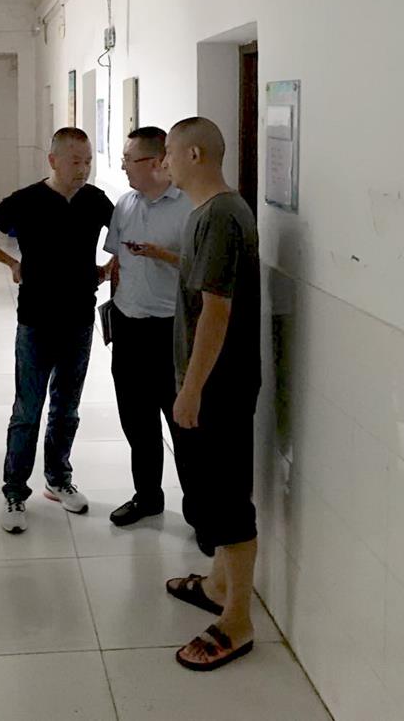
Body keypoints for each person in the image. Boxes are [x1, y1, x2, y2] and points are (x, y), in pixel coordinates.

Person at [0, 127, 113, 533]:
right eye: (75, 161)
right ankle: (15, 491)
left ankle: (58, 479)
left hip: (79, 318)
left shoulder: (95, 200)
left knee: (67, 407)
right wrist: (11, 263)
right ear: (53, 161)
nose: (83, 168)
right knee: (27, 410)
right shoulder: (26, 200)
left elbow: (126, 235)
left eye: (88, 161)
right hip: (36, 319)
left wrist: (108, 268)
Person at [162, 116, 261, 672]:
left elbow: (216, 311)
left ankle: (237, 620)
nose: (164, 163)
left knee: (227, 499)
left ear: (194, 155)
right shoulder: (210, 213)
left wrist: (192, 388)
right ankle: (219, 584)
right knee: (212, 495)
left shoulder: (221, 214)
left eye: (169, 153)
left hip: (218, 385)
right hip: (210, 382)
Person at [103, 127, 192, 527]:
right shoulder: (125, 203)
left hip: (170, 330)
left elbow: (203, 269)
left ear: (156, 162)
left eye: (129, 159)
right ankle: (147, 497)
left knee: (182, 425)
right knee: (136, 420)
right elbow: (117, 262)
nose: (123, 166)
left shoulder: (189, 207)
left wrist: (163, 255)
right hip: (128, 327)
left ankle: (198, 512)